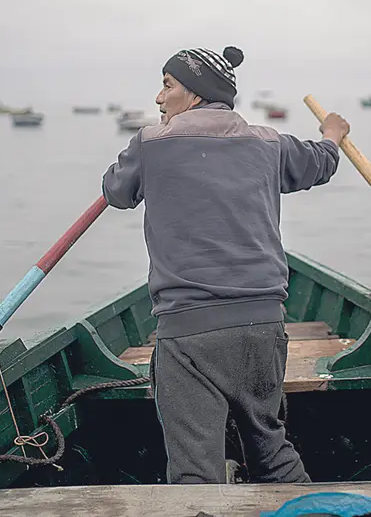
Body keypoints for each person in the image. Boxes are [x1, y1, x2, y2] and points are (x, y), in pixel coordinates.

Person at [101, 46, 350, 484]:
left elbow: (116, 192)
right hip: (263, 326)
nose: (159, 99)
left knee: (197, 474)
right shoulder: (270, 143)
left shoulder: (150, 143)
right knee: (272, 452)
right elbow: (322, 162)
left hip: (189, 334)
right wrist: (332, 133)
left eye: (167, 86)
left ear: (193, 94)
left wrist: (158, 140)